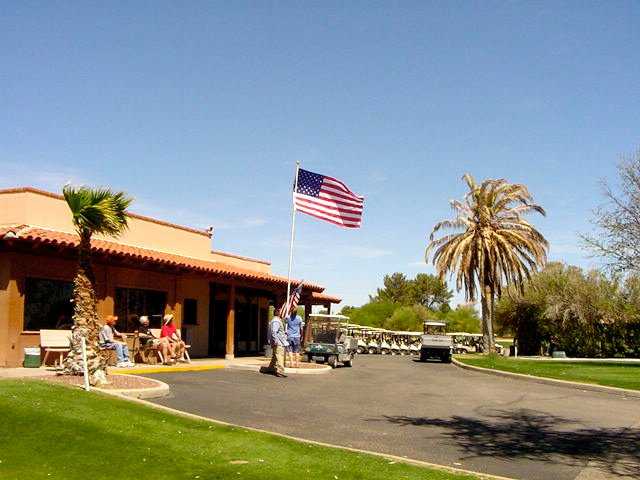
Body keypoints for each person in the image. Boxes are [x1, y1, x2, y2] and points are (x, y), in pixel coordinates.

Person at [265, 308, 288, 377]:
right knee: (280, 355)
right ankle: (280, 370)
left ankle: (271, 368)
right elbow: (274, 332)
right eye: (281, 312)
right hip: (278, 342)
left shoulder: (275, 320)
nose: (282, 313)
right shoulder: (276, 321)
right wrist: (276, 341)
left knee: (275, 355)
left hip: (278, 341)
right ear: (278, 313)